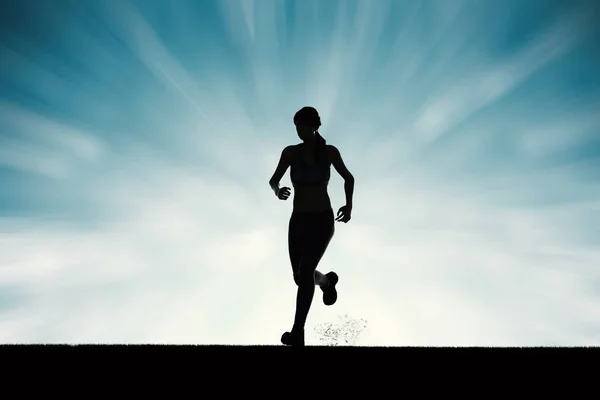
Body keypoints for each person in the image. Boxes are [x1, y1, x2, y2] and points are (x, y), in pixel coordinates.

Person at [268, 106, 355, 347]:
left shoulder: (329, 152)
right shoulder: (290, 153)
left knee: (305, 273)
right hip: (298, 221)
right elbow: (274, 180)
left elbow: (348, 177)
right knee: (299, 277)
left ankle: (298, 333)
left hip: (321, 220)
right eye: (296, 126)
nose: (299, 130)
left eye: (303, 125)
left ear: (314, 126)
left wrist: (348, 206)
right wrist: (278, 191)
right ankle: (327, 281)